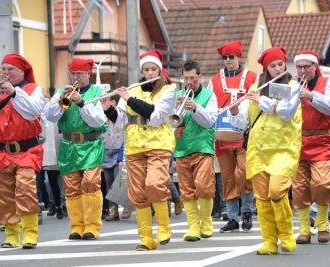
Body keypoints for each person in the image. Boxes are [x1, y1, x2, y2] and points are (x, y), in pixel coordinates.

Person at [230, 47, 301, 254]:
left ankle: (286, 234)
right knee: (262, 198)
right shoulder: (255, 87)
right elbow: (245, 119)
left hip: (283, 149)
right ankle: (269, 240)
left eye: (280, 64)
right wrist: (235, 110)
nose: (278, 68)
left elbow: (287, 112)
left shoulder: (293, 86)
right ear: (266, 69)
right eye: (273, 66)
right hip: (258, 149)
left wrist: (261, 100)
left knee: (277, 191)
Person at [104, 50, 176, 251]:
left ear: (159, 71)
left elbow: (155, 114)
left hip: (158, 144)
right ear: (142, 72)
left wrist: (128, 98)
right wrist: (108, 108)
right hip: (134, 146)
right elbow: (121, 121)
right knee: (137, 193)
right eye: (147, 70)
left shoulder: (169, 90)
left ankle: (164, 227)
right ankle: (146, 238)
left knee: (154, 185)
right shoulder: (133, 90)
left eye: (154, 69)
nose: (150, 73)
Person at [0, 53, 45, 248]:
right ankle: (11, 235)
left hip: (25, 150)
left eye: (10, 69)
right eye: (3, 69)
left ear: (21, 71)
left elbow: (32, 111)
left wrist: (14, 92)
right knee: (3, 195)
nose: (5, 73)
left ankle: (30, 233)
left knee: (25, 190)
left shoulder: (34, 90)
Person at [45, 58, 108, 240]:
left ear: (88, 74)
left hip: (90, 144)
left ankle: (92, 226)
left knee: (90, 184)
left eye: (80, 73)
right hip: (68, 145)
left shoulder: (98, 92)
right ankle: (77, 226)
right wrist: (59, 99)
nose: (76, 77)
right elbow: (51, 116)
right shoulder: (62, 92)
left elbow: (97, 121)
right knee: (71, 187)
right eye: (73, 73)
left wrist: (81, 102)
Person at [207, 40, 257, 232]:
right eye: (225, 57)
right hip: (222, 133)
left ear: (238, 57)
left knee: (243, 172)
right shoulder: (214, 80)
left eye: (231, 57)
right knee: (227, 176)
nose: (228, 60)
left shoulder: (252, 77)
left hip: (245, 133)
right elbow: (211, 107)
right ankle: (233, 217)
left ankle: (246, 211)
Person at [291, 51, 330, 245]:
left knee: (321, 184)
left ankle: (321, 224)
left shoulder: (327, 83)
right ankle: (304, 228)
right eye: (300, 67)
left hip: (320, 140)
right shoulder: (292, 84)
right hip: (296, 142)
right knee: (299, 187)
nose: (303, 71)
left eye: (307, 67)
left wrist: (311, 96)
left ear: (314, 66)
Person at [173, 60, 217, 241]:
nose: (189, 82)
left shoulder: (209, 96)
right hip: (182, 148)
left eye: (192, 78)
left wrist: (196, 107)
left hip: (202, 147)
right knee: (187, 190)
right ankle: (193, 227)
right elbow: (172, 122)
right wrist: (178, 108)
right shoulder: (178, 95)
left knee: (204, 187)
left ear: (199, 77)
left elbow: (209, 121)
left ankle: (206, 222)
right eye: (186, 78)